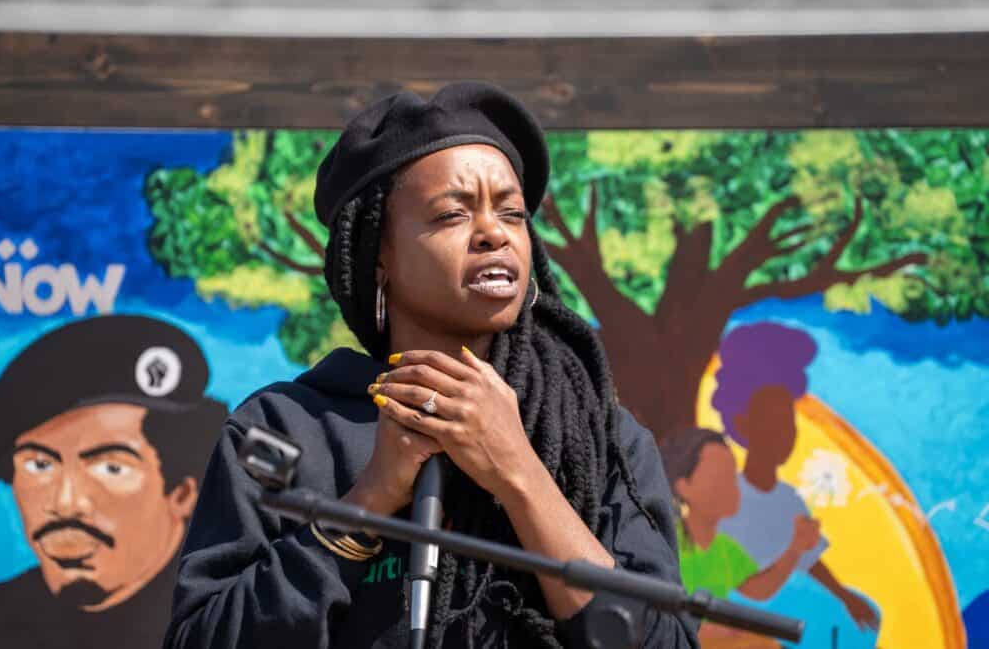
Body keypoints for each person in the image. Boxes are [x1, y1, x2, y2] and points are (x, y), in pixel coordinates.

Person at [164, 82, 700, 648]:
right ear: (379, 257)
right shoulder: (283, 431)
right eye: (452, 214)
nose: (494, 233)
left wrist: (517, 471)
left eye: (512, 213)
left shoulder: (596, 435)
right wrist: (368, 502)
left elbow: (662, 642)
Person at [0, 315, 227, 649]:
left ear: (181, 492)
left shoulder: (227, 615)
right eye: (40, 464)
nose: (66, 502)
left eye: (111, 468)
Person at [711, 322, 880, 631]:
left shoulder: (788, 500)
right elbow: (749, 588)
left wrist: (845, 596)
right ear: (744, 424)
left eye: (789, 424)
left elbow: (810, 559)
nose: (784, 436)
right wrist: (794, 549)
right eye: (772, 423)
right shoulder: (726, 500)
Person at [660, 427, 820, 601]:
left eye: (731, 476)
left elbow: (757, 589)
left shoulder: (724, 549)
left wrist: (795, 547)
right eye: (717, 478)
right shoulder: (670, 544)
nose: (731, 488)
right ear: (683, 487)